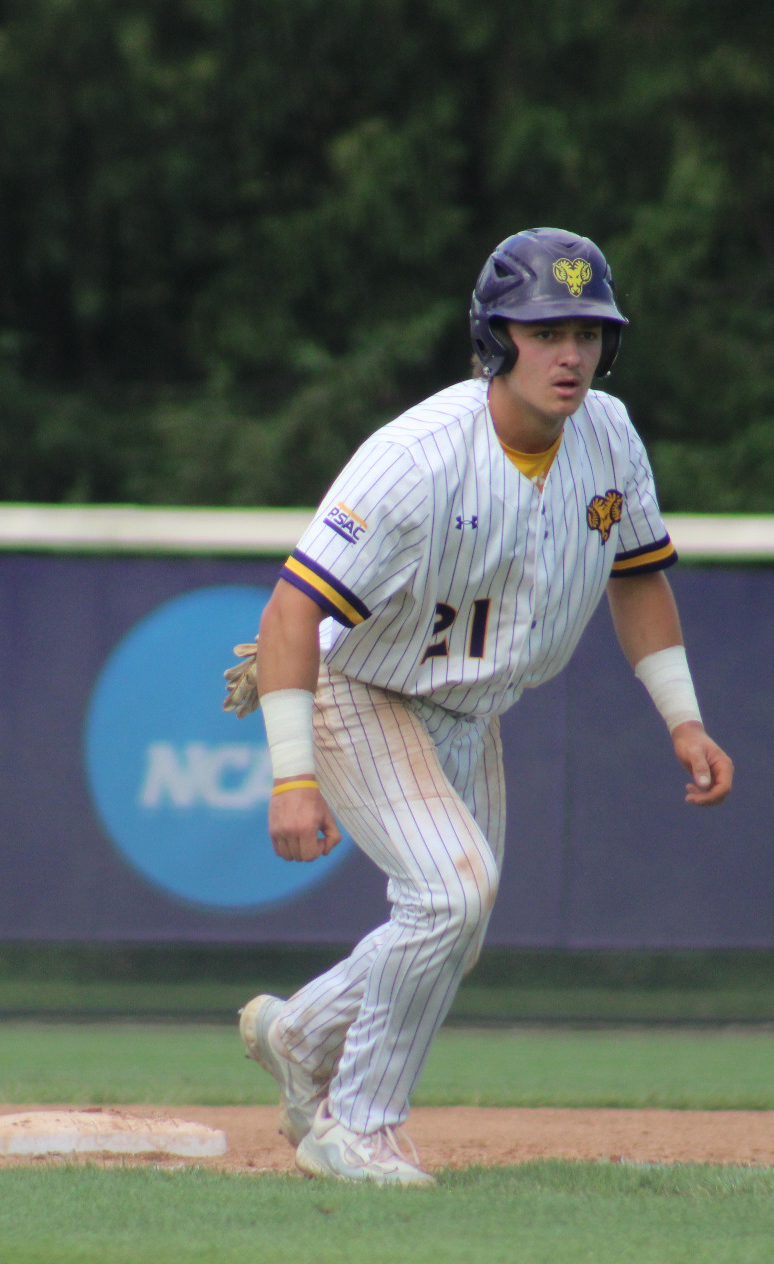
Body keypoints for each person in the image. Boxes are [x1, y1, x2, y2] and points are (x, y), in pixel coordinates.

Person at [232, 228, 734, 1186]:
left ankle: (302, 1034)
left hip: (469, 709)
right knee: (452, 895)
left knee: (451, 932)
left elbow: (637, 576)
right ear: (497, 338)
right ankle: (355, 1126)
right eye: (545, 332)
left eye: (587, 331)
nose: (571, 353)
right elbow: (291, 608)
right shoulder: (419, 457)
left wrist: (683, 718)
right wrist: (292, 777)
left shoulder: (609, 436)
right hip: (363, 688)